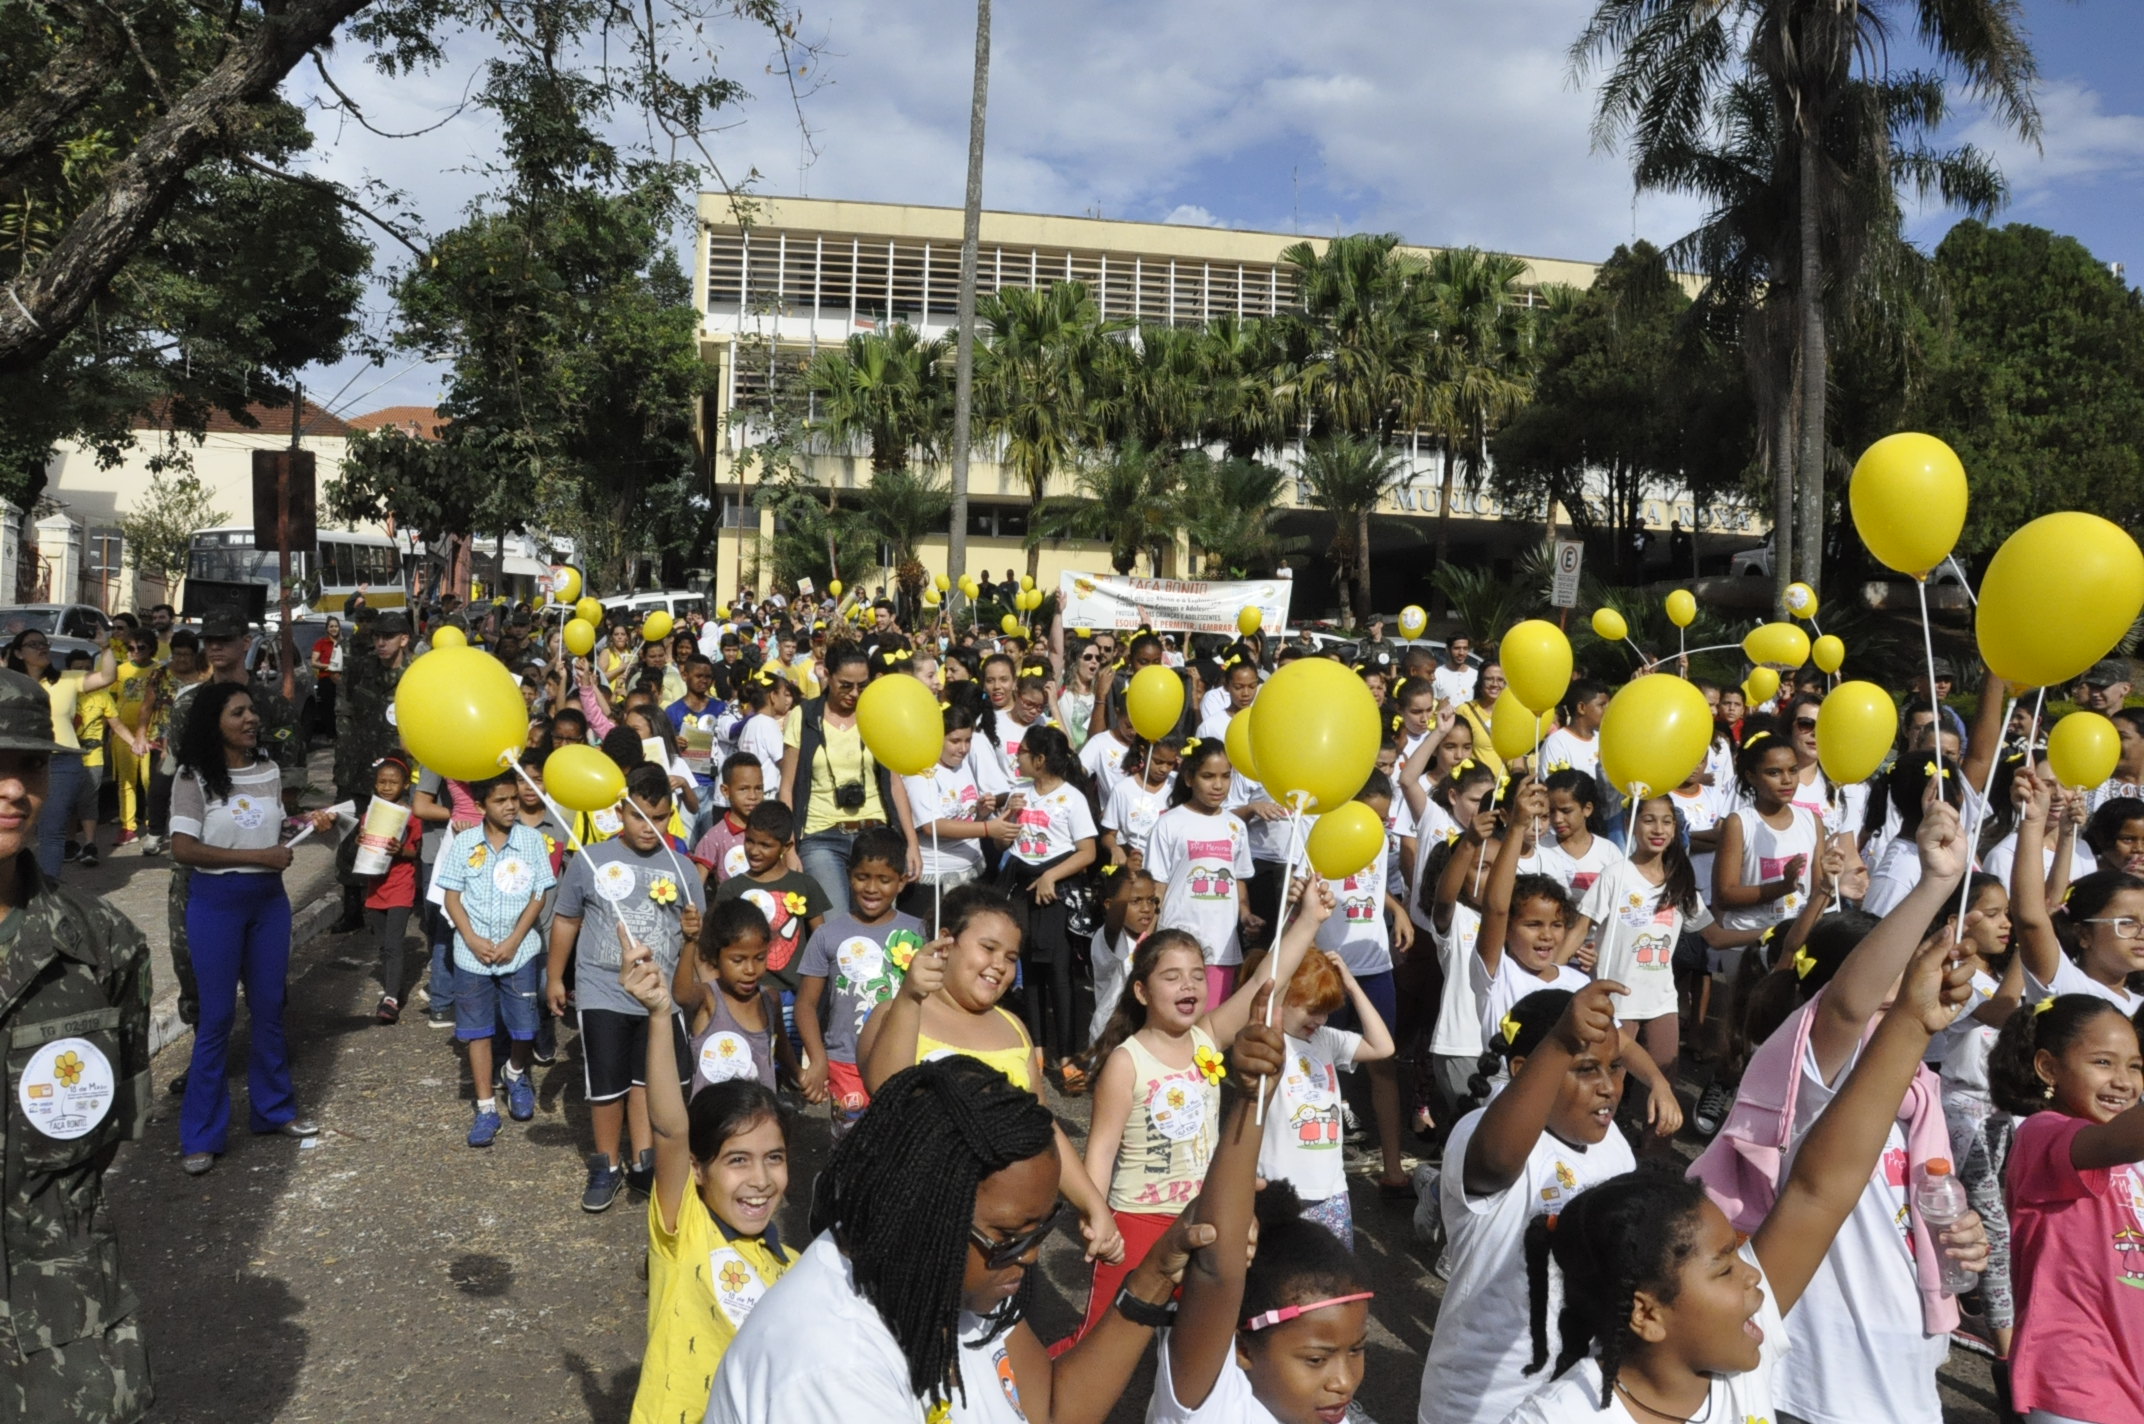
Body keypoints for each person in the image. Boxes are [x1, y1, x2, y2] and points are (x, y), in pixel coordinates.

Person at [1505, 931, 1983, 1424]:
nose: (1754, 1272)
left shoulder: (1738, 1378)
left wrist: (1911, 1021)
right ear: (1646, 1314)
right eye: (1725, 1267)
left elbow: (1819, 1190)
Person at [706, 1054, 1206, 1423]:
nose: (1030, 1256)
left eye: (1040, 1231)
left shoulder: (954, 1274)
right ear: (923, 1210)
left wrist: (1155, 1276)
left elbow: (1051, 1410)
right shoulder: (829, 1370)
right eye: (1010, 1236)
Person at [0, 669, 156, 1421]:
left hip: (60, 1323)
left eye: (29, 764)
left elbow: (112, 1122)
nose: (12, 789)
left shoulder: (102, 944)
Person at [1080, 889, 1331, 1340]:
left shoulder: (1207, 1038)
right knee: (1103, 1337)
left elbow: (1262, 984)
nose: (1189, 986)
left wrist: (1309, 919)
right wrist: (1096, 1215)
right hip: (1137, 1220)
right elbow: (1100, 1150)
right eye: (1172, 977)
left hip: (1203, 1215)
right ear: (1141, 990)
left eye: (1197, 976)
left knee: (1199, 1339)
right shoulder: (1126, 1060)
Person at [859, 885, 1125, 1265]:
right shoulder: (896, 1012)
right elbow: (887, 1090)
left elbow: (1042, 1129)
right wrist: (910, 997)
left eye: (1011, 956)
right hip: (919, 1218)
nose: (1000, 964)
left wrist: (1092, 1205)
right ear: (946, 943)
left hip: (1002, 1237)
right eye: (988, 948)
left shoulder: (1014, 1026)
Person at [1146, 992, 1375, 1424]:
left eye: (1357, 1349)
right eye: (1315, 1359)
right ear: (1241, 1347)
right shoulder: (1212, 1400)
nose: (1344, 1382)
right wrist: (1253, 1098)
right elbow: (1217, 1262)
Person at [1416, 983, 1638, 1424]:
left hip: (1575, 1397)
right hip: (1481, 1402)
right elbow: (1495, 1163)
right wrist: (1559, 1042)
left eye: (1615, 1068)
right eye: (1586, 1069)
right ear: (1524, 1069)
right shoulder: (1480, 1131)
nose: (1608, 1087)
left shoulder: (1613, 1144)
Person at [618, 944, 796, 1423]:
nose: (760, 1180)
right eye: (737, 1160)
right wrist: (659, 1016)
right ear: (698, 1169)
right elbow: (672, 1130)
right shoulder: (684, 1228)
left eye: (774, 1158)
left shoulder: (794, 1267)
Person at [170, 681, 331, 1174]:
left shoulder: (268, 770)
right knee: (216, 1019)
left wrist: (311, 822)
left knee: (269, 1009)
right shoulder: (193, 776)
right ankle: (201, 1134)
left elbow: (270, 830)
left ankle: (274, 1111)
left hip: (269, 904)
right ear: (213, 722)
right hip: (216, 904)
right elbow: (183, 848)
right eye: (238, 713)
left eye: (252, 712)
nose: (251, 719)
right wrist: (259, 856)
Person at [547, 763, 707, 1211]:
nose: (649, 827)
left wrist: (695, 933)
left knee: (646, 1082)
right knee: (606, 1082)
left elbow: (696, 938)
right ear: (620, 812)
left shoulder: (685, 870)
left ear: (671, 817)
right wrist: (555, 975)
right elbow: (567, 919)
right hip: (603, 990)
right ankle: (605, 1165)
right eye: (639, 816)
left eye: (658, 818)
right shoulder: (589, 859)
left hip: (659, 999)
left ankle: (643, 1162)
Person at [1988, 987, 2144, 1424]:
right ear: (2048, 1068)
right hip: (2075, 1377)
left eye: (2136, 1066)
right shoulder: (2044, 1134)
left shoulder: (2129, 1167)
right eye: (2102, 1063)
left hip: (2129, 1374)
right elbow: (2124, 1138)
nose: (2124, 1081)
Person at [438, 773, 556, 1146]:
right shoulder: (464, 843)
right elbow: (451, 897)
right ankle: (487, 1107)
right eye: (500, 800)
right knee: (478, 1030)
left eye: (513, 799)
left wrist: (515, 939)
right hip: (472, 956)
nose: (509, 806)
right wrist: (471, 939)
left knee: (524, 1025)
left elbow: (539, 895)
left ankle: (516, 1071)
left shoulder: (532, 841)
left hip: (519, 951)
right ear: (480, 806)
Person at [1257, 950, 1394, 1249]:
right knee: (1284, 1284)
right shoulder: (1268, 1041)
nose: (1320, 1019)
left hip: (1332, 1191)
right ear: (1283, 996)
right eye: (1312, 1008)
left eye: (1327, 1010)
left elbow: (1382, 1047)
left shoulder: (1327, 1039)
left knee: (1332, 1286)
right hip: (1279, 1191)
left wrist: (1352, 985)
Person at [794, 828, 926, 1133]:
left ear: (902, 881)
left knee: (901, 1143)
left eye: (884, 879)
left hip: (905, 1059)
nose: (871, 888)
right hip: (844, 1062)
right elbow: (805, 1005)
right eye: (863, 876)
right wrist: (817, 1061)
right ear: (849, 874)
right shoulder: (827, 935)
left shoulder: (921, 933)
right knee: (850, 1147)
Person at [777, 647, 918, 913]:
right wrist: (790, 848)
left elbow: (896, 783)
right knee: (835, 924)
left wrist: (912, 843)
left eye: (862, 686)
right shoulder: (804, 716)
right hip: (820, 837)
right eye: (845, 685)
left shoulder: (879, 714)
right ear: (826, 675)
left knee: (876, 921)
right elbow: (787, 788)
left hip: (876, 833)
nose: (854, 694)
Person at [1145, 737, 1257, 1010]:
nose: (1218, 785)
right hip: (1177, 944)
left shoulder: (1236, 827)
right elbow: (1156, 887)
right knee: (1175, 1019)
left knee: (1213, 1027)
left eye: (1225, 777)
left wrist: (1245, 914)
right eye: (1208, 776)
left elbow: (1238, 879)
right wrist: (1146, 939)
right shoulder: (1169, 823)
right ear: (1188, 778)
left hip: (1222, 948)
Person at [4, 630, 118, 877]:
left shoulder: (67, 679)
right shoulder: (9, 683)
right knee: (15, 830)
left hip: (62, 763)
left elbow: (108, 676)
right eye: (33, 644)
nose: (41, 648)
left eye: (44, 643)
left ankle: (48, 889)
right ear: (18, 652)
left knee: (51, 831)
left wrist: (106, 648)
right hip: (16, 762)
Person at [712, 800, 829, 1028]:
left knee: (789, 1060)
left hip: (793, 997)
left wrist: (811, 994)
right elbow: (715, 943)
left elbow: (820, 940)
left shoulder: (805, 885)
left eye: (765, 845)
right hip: (743, 996)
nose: (754, 851)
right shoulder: (731, 889)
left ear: (786, 847)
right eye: (750, 841)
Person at [672, 897, 797, 1095]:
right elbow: (682, 995)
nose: (750, 969)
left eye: (760, 958)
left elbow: (781, 1047)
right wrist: (690, 943)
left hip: (760, 1120)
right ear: (715, 957)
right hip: (714, 1122)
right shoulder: (709, 998)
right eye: (738, 960)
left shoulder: (770, 999)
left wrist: (799, 1074)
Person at [360, 755, 424, 1024]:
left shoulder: (411, 817)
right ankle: (391, 984)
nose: (386, 787)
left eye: (393, 782)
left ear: (406, 784)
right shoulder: (369, 814)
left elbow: (416, 852)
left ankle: (391, 998)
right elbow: (363, 846)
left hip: (400, 884)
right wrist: (359, 840)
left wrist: (402, 851)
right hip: (376, 886)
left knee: (394, 943)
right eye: (382, 782)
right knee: (384, 944)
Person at [689, 752, 763, 886]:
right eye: (743, 789)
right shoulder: (714, 837)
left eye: (758, 788)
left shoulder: (769, 832)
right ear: (725, 791)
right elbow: (697, 886)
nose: (753, 796)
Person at [1431, 633, 1477, 707]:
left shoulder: (1476, 675)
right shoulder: (1437, 674)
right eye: (1457, 648)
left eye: (1465, 648)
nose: (1461, 653)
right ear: (1447, 649)